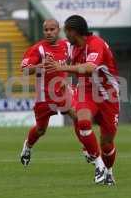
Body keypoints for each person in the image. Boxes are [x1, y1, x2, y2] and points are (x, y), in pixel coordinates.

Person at [45, 15, 119, 185]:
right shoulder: (73, 47)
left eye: (66, 32)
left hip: (109, 96)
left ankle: (109, 171)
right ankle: (98, 164)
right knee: (83, 121)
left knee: (107, 143)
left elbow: (88, 67)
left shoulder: (96, 44)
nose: (65, 36)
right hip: (86, 91)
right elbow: (71, 64)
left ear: (74, 32)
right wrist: (63, 78)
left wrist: (61, 67)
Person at [19, 19, 75, 166]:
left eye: (52, 29)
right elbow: (24, 70)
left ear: (59, 30)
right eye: (46, 30)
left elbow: (72, 63)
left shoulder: (67, 46)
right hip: (44, 96)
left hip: (62, 92)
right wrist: (39, 66)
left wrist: (67, 79)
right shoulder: (38, 49)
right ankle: (28, 146)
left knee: (77, 115)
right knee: (41, 129)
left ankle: (88, 150)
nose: (49, 32)